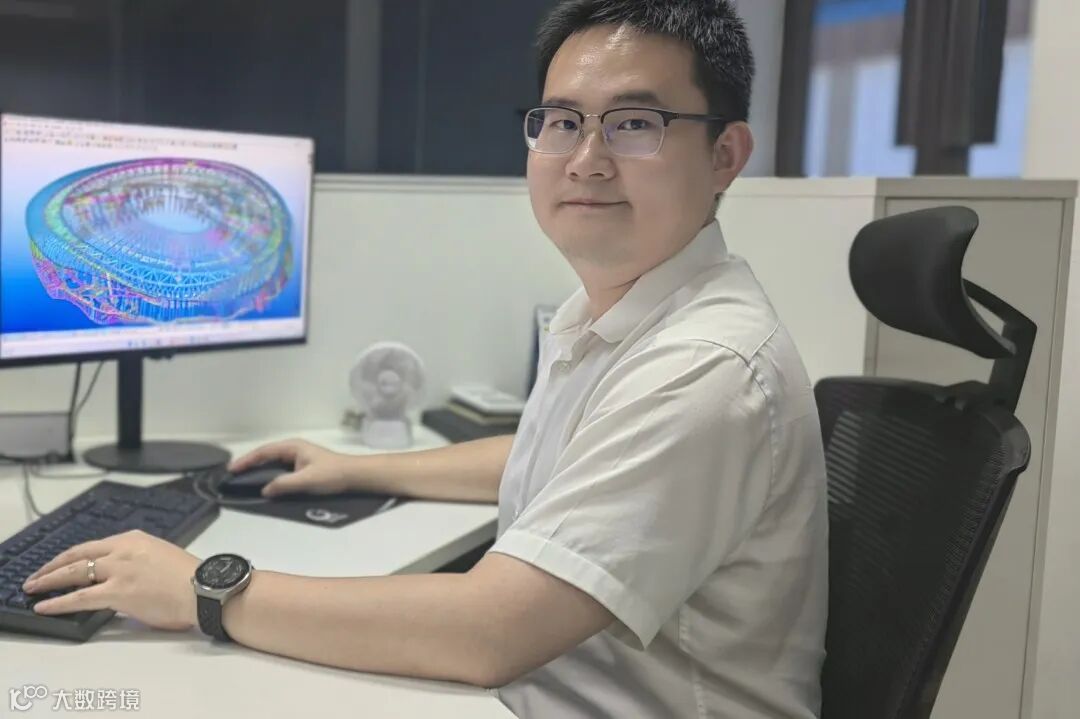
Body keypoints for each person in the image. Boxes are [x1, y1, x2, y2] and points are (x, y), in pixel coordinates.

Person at [24, 1, 828, 716]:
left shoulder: (707, 366)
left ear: (725, 154)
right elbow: (567, 456)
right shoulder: (620, 312)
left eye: (634, 123)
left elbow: (491, 631)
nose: (586, 157)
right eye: (561, 121)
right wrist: (360, 468)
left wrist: (205, 589)